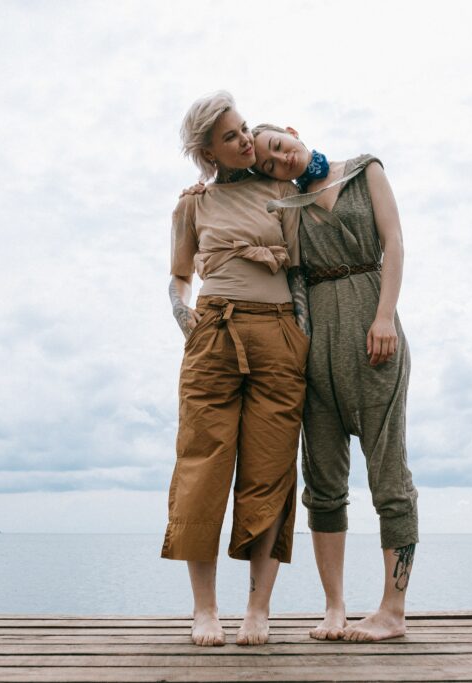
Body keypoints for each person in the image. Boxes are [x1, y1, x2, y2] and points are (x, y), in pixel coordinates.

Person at [253, 124, 419, 642]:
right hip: (313, 350)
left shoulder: (364, 169)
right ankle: (334, 608)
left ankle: (393, 611)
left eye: (280, 144)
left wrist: (385, 316)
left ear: (292, 132)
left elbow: (393, 244)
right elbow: (233, 203)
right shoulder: (286, 205)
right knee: (323, 485)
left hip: (374, 339)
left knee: (388, 477)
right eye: (269, 162)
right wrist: (200, 189)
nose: (282, 158)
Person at [162, 92, 308, 647]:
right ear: (208, 151)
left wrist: (302, 334)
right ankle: (204, 611)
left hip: (277, 334)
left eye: (245, 128)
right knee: (202, 467)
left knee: (269, 471)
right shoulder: (192, 205)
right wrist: (186, 319)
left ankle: (258, 610)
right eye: (231, 136)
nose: (246, 140)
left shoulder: (282, 191)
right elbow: (179, 276)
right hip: (214, 333)